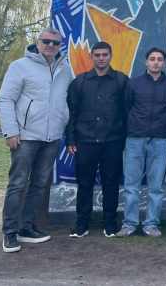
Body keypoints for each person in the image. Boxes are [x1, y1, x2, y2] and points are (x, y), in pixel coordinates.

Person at [0, 28, 72, 253]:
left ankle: (27, 227)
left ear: (60, 46)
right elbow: (5, 100)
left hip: (52, 137)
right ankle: (10, 232)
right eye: (46, 41)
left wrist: (63, 124)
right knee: (17, 184)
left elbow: (66, 101)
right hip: (25, 137)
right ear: (37, 43)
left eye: (55, 43)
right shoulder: (19, 66)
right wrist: (11, 131)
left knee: (39, 184)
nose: (50, 45)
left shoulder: (65, 69)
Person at [66, 41, 129, 239]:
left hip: (113, 141)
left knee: (111, 184)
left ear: (111, 56)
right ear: (91, 57)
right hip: (85, 141)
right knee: (84, 184)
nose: (101, 58)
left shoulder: (121, 80)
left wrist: (126, 140)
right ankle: (82, 224)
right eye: (97, 55)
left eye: (105, 55)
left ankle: (109, 223)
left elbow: (127, 112)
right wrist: (70, 140)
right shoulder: (80, 81)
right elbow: (72, 113)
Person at [116, 47, 166, 238]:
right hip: (136, 138)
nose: (156, 62)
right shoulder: (133, 84)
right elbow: (126, 108)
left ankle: (151, 224)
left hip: (159, 139)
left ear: (164, 63)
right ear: (146, 62)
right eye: (152, 59)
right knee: (131, 184)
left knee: (156, 185)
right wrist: (134, 127)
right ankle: (129, 224)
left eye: (160, 59)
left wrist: (161, 127)